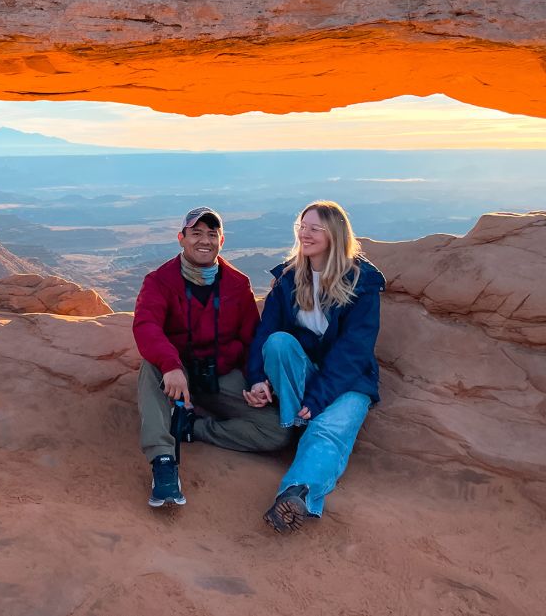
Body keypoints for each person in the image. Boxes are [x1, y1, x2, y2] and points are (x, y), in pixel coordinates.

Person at [133, 206, 291, 508]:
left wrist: (257, 380)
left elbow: (251, 339)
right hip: (178, 374)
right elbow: (146, 326)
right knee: (150, 367)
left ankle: (191, 427)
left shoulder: (237, 283)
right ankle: (163, 460)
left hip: (219, 375)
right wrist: (170, 365)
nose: (204, 240)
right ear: (181, 238)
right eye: (196, 233)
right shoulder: (159, 281)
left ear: (222, 240)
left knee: (277, 431)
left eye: (211, 233)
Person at [243, 200, 385, 532]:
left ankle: (296, 494)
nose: (305, 234)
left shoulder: (361, 282)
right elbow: (266, 331)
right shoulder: (289, 277)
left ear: (335, 234)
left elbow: (355, 350)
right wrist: (257, 377)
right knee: (278, 342)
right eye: (301, 227)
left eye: (314, 228)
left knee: (329, 431)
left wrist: (318, 398)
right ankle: (297, 424)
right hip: (304, 374)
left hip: (349, 379)